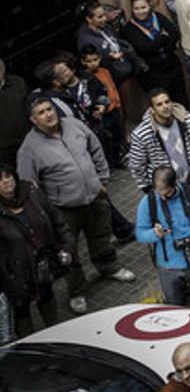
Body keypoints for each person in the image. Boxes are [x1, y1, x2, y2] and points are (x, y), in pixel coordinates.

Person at [18, 96, 135, 314]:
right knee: (69, 250)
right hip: (63, 208)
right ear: (33, 120)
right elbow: (29, 187)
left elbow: (95, 148)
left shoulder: (74, 125)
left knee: (101, 235)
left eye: (49, 109)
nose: (48, 114)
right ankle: (76, 290)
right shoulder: (29, 149)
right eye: (41, 113)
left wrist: (102, 179)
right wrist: (48, 212)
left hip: (95, 196)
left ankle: (108, 267)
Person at [0, 164, 72, 337]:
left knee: (46, 295)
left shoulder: (32, 193)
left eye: (7, 175)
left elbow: (56, 221)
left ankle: (55, 334)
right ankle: (29, 344)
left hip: (42, 262)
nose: (5, 181)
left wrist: (66, 247)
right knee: (22, 309)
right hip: (15, 274)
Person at [136, 166, 190, 308]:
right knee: (175, 307)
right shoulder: (148, 203)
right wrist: (154, 234)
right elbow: (140, 234)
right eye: (158, 192)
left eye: (167, 193)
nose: (162, 197)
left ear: (176, 183)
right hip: (168, 267)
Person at [122, 0, 188, 108]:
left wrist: (160, 46)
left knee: (180, 99)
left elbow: (174, 33)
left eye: (143, 7)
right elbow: (145, 48)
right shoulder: (129, 29)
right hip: (152, 74)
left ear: (149, 6)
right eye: (136, 8)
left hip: (171, 65)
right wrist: (163, 38)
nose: (140, 11)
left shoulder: (158, 17)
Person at [126, 88, 190, 191]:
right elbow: (137, 165)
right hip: (167, 187)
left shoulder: (185, 118)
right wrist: (149, 188)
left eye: (167, 102)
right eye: (159, 104)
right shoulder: (141, 134)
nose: (165, 106)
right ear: (152, 109)